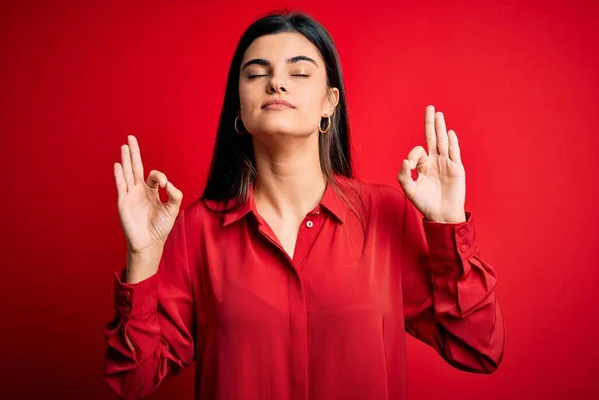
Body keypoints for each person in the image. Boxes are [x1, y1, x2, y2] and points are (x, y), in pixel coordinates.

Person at [103, 11, 505, 400]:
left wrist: (449, 225)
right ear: (238, 108)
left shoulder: (385, 215)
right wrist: (143, 257)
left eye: (299, 72)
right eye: (257, 73)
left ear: (330, 102)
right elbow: (132, 380)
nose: (277, 83)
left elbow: (477, 348)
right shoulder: (197, 231)